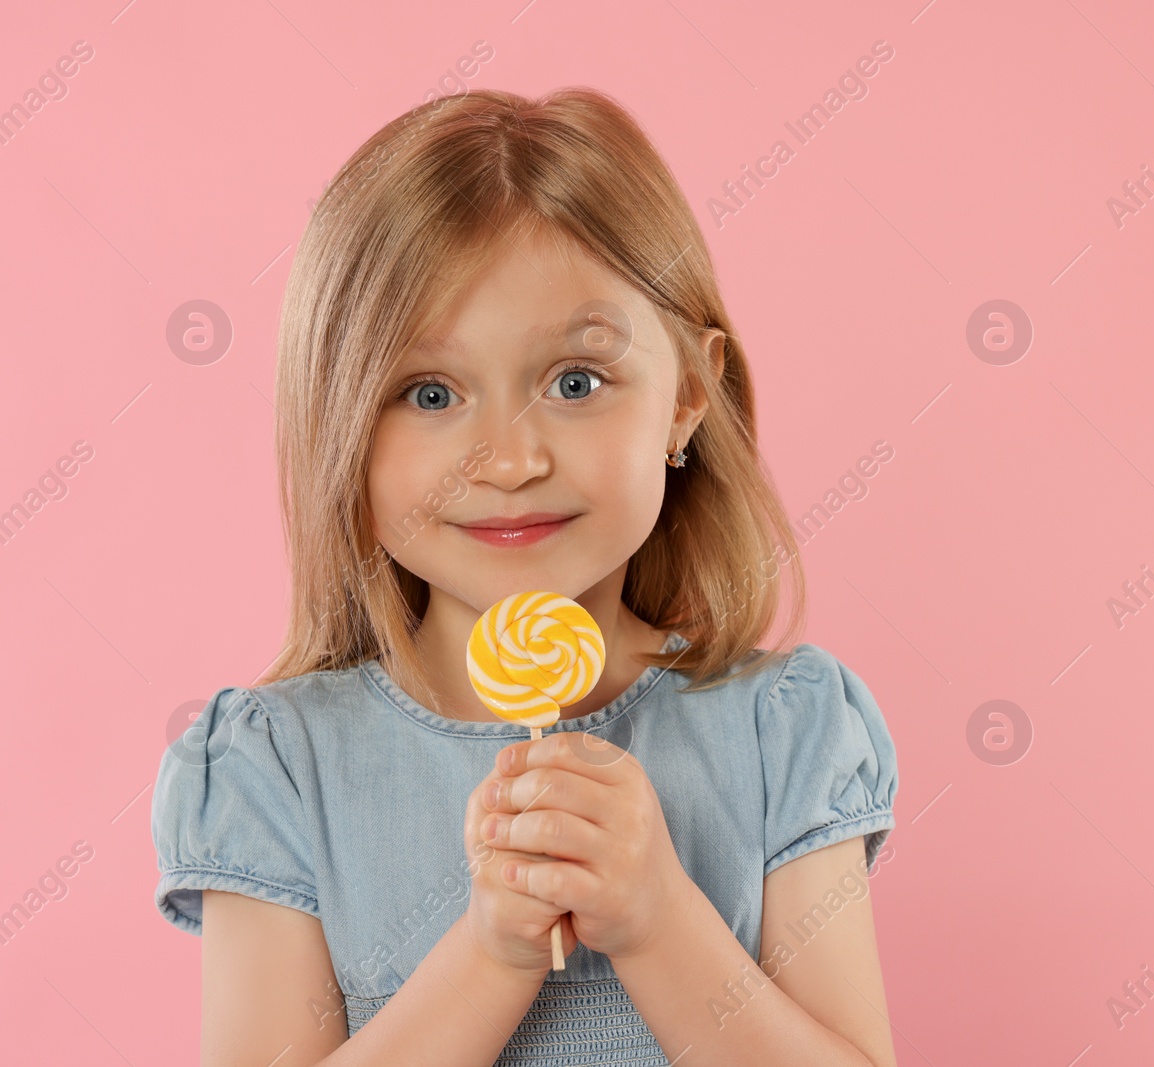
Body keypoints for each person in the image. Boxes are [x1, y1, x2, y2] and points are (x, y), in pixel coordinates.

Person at [150, 87, 898, 1067]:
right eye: (429, 392)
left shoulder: (783, 732)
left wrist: (659, 918)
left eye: (576, 381)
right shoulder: (276, 768)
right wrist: (493, 950)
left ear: (686, 396)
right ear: (338, 421)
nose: (506, 461)